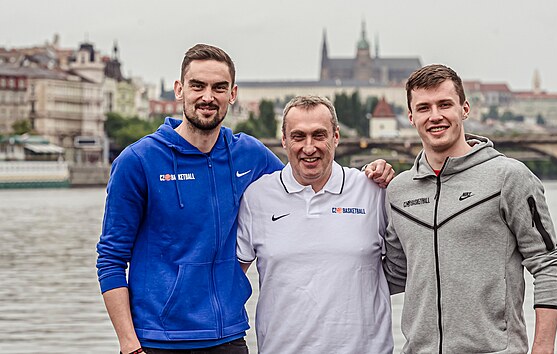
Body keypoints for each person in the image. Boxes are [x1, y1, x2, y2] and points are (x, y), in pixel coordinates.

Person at [96, 44, 393, 354]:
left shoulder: (248, 155)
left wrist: (368, 178)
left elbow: (301, 184)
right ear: (179, 90)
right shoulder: (138, 161)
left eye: (219, 87)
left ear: (232, 94)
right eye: (198, 86)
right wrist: (130, 345)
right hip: (157, 341)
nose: (208, 96)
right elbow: (111, 259)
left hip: (229, 337)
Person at [383, 64, 557, 354]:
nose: (435, 116)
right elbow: (393, 274)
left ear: (465, 109)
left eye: (445, 104)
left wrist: (543, 347)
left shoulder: (509, 177)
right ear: (411, 117)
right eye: (424, 108)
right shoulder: (397, 191)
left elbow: (547, 263)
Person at [237, 95, 394, 354]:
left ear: (336, 136)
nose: (309, 148)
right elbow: (231, 280)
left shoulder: (373, 190)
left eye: (319, 135)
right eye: (298, 136)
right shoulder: (257, 197)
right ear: (284, 140)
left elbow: (412, 264)